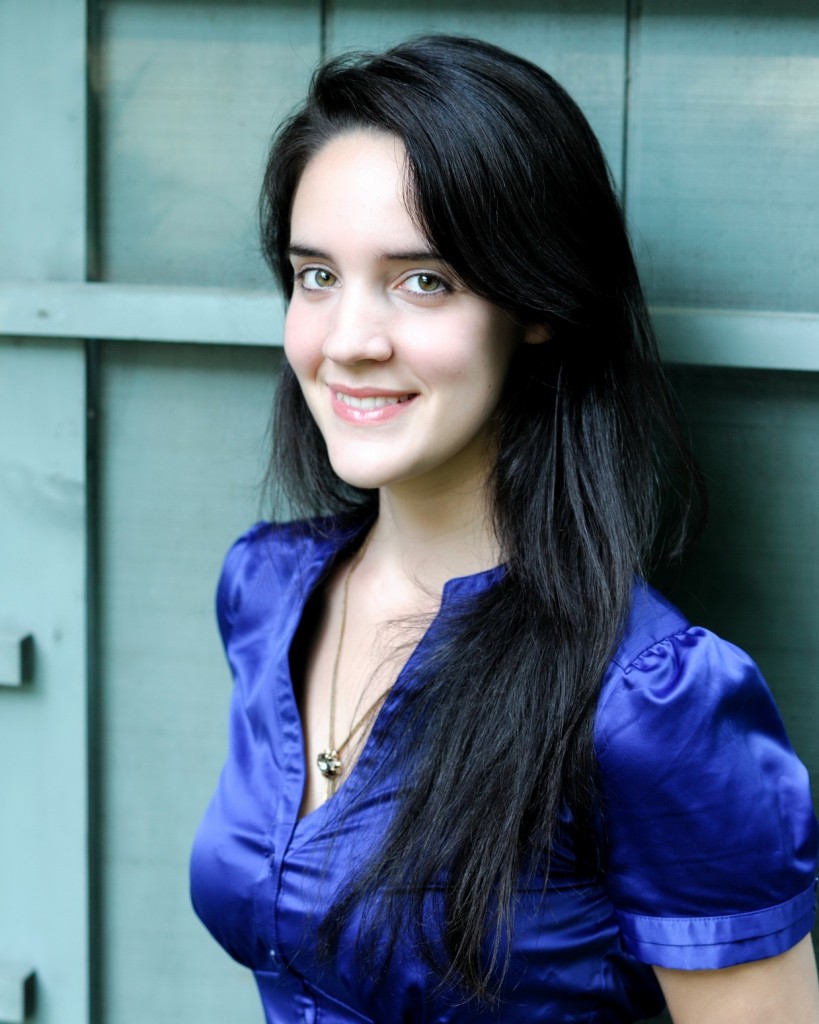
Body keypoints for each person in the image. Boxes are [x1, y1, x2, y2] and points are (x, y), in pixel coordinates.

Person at [190, 35, 819, 1023]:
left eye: (422, 280)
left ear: (536, 305)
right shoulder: (265, 593)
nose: (348, 341)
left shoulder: (649, 704)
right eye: (316, 276)